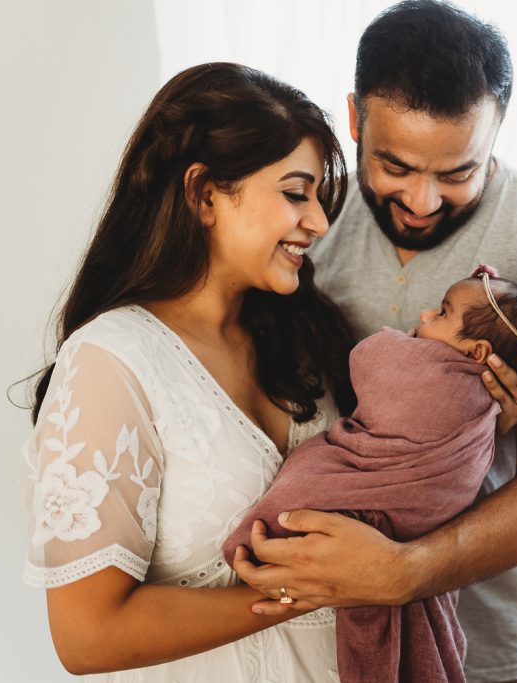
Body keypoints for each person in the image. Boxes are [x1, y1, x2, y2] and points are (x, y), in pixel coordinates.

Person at [236, 2, 517, 682]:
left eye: (457, 173)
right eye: (396, 166)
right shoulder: (309, 219)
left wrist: (404, 571)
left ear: (497, 131)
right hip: (317, 637)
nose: (422, 201)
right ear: (355, 120)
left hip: (491, 651)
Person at [21, 62, 362, 680]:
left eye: (318, 198)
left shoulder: (307, 337)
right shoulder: (113, 362)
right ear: (204, 194)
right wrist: (307, 590)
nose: (318, 222)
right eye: (296, 193)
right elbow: (87, 636)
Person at [223, 266, 517, 683]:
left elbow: (369, 359)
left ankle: (268, 536)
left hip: (494, 619)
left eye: (441, 313)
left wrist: (403, 572)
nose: (424, 315)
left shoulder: (450, 382)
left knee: (314, 480)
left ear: (477, 353)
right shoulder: (307, 258)